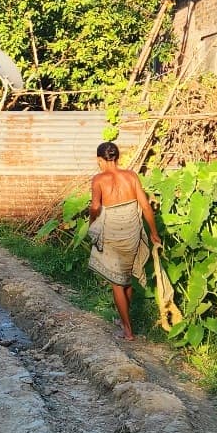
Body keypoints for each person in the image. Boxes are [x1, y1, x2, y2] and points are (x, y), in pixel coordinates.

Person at [86, 140, 160, 341]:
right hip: (132, 230)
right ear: (117, 158)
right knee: (125, 278)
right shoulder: (131, 176)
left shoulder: (99, 179)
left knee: (117, 283)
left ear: (100, 159)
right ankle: (123, 320)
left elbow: (95, 207)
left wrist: (92, 223)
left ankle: (127, 331)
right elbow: (145, 206)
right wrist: (153, 232)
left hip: (112, 232)